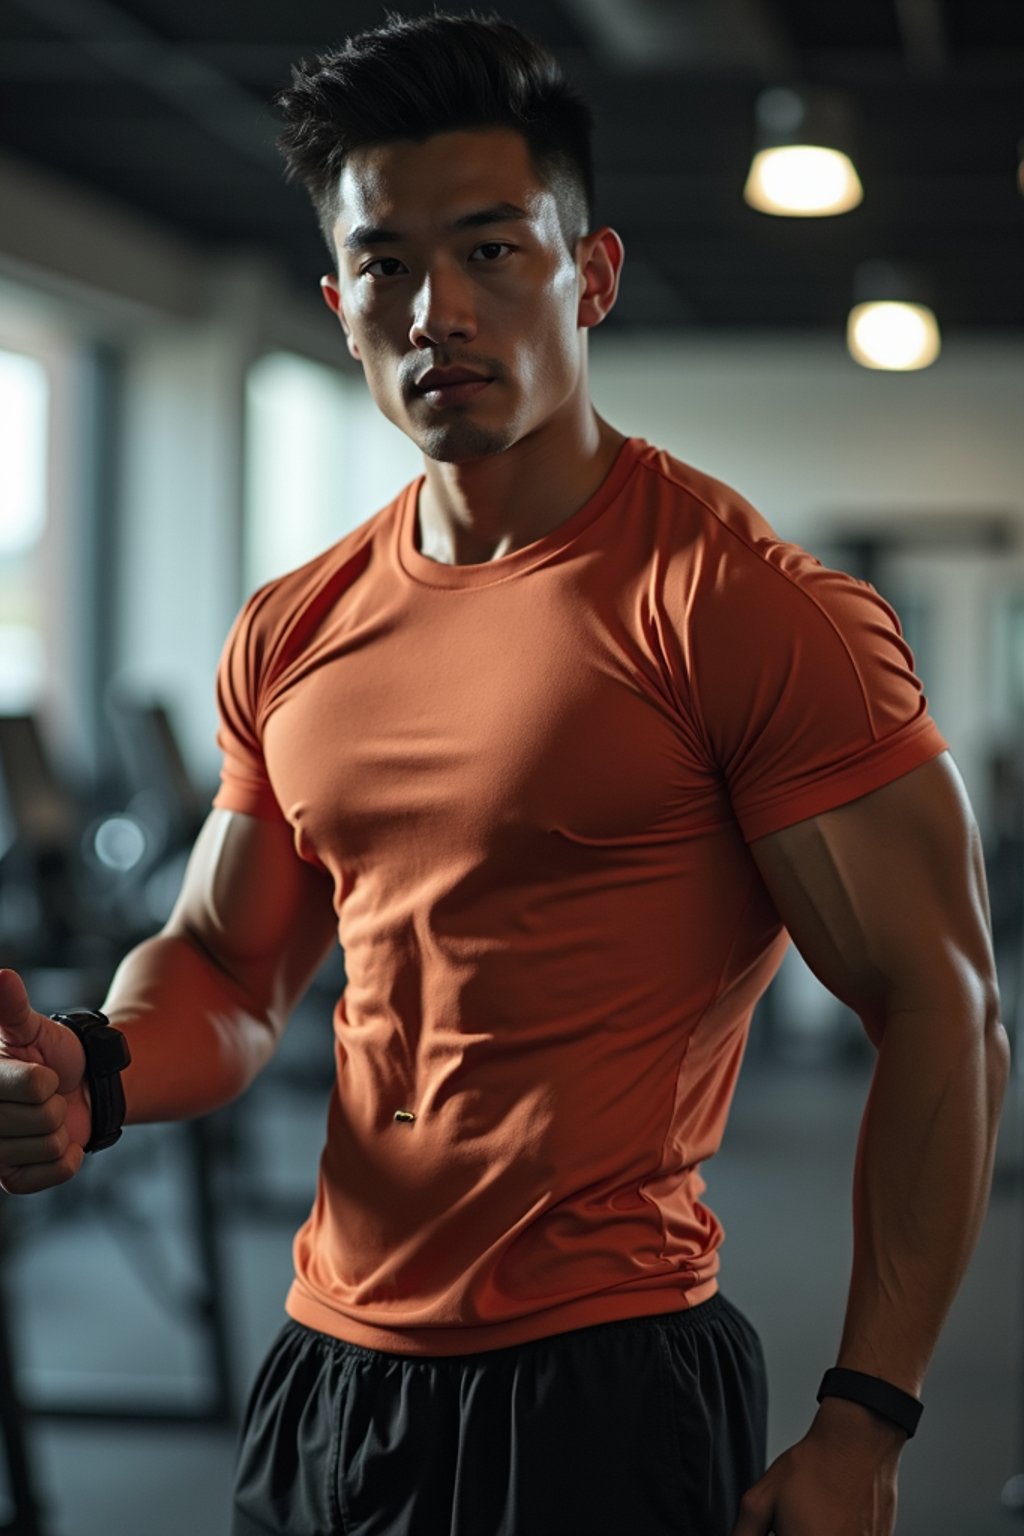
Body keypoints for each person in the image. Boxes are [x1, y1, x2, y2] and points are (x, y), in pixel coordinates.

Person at [0, 11, 1009, 1536]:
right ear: (339, 302)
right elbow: (227, 964)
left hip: (601, 1382)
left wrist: (867, 1417)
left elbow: (945, 1004)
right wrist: (103, 1066)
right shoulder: (295, 627)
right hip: (329, 1372)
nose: (435, 311)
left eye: (491, 251)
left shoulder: (738, 606)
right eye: (389, 266)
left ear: (589, 274)